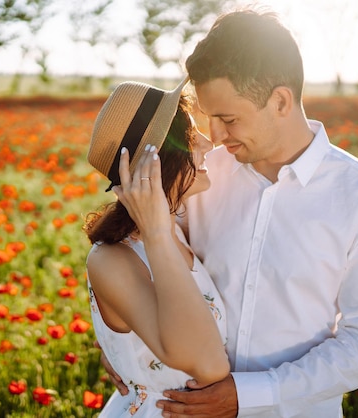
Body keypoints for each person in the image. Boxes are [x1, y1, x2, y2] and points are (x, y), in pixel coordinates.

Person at [109, 7, 358, 418]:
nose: (216, 136)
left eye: (228, 119)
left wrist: (249, 394)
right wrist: (122, 344)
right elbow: (142, 265)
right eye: (210, 118)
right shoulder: (201, 177)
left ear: (281, 101)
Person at [83, 79, 231, 416]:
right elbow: (209, 366)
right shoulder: (111, 259)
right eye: (193, 138)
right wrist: (157, 235)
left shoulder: (176, 231)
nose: (209, 144)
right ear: (159, 162)